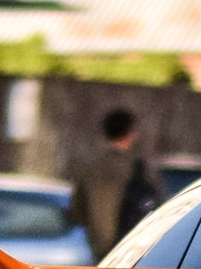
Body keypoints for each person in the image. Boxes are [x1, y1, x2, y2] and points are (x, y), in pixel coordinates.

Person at [67, 108, 160, 260]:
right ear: (131, 133)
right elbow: (158, 207)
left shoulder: (90, 169)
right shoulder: (140, 170)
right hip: (132, 247)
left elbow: (77, 213)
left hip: (101, 250)